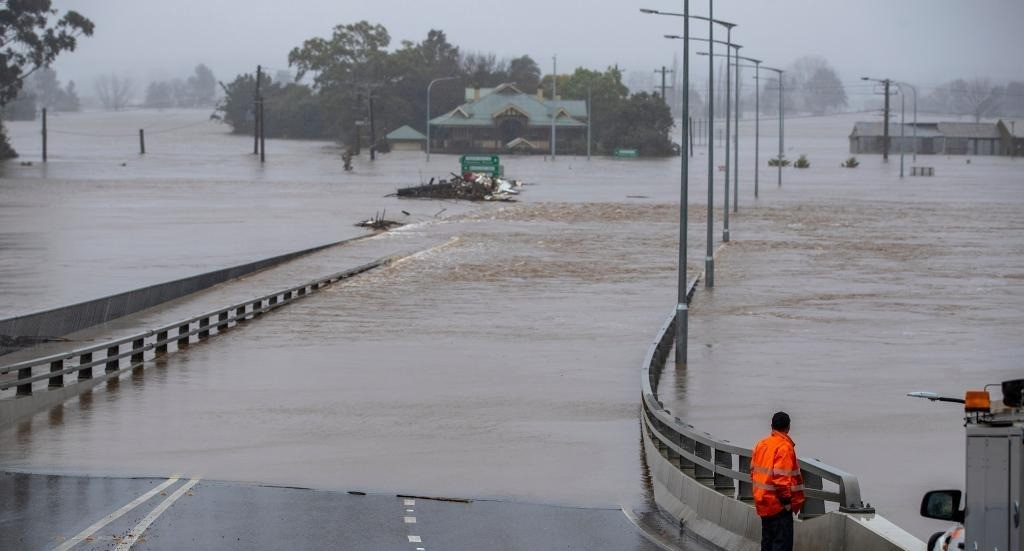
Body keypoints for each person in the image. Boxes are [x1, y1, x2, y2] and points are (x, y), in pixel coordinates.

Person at [752, 411, 805, 551]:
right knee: (781, 544)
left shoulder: (761, 444)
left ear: (771, 426)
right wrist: (787, 502)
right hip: (779, 505)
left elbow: (753, 472)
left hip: (763, 503)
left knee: (767, 542)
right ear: (788, 428)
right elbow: (781, 479)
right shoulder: (784, 447)